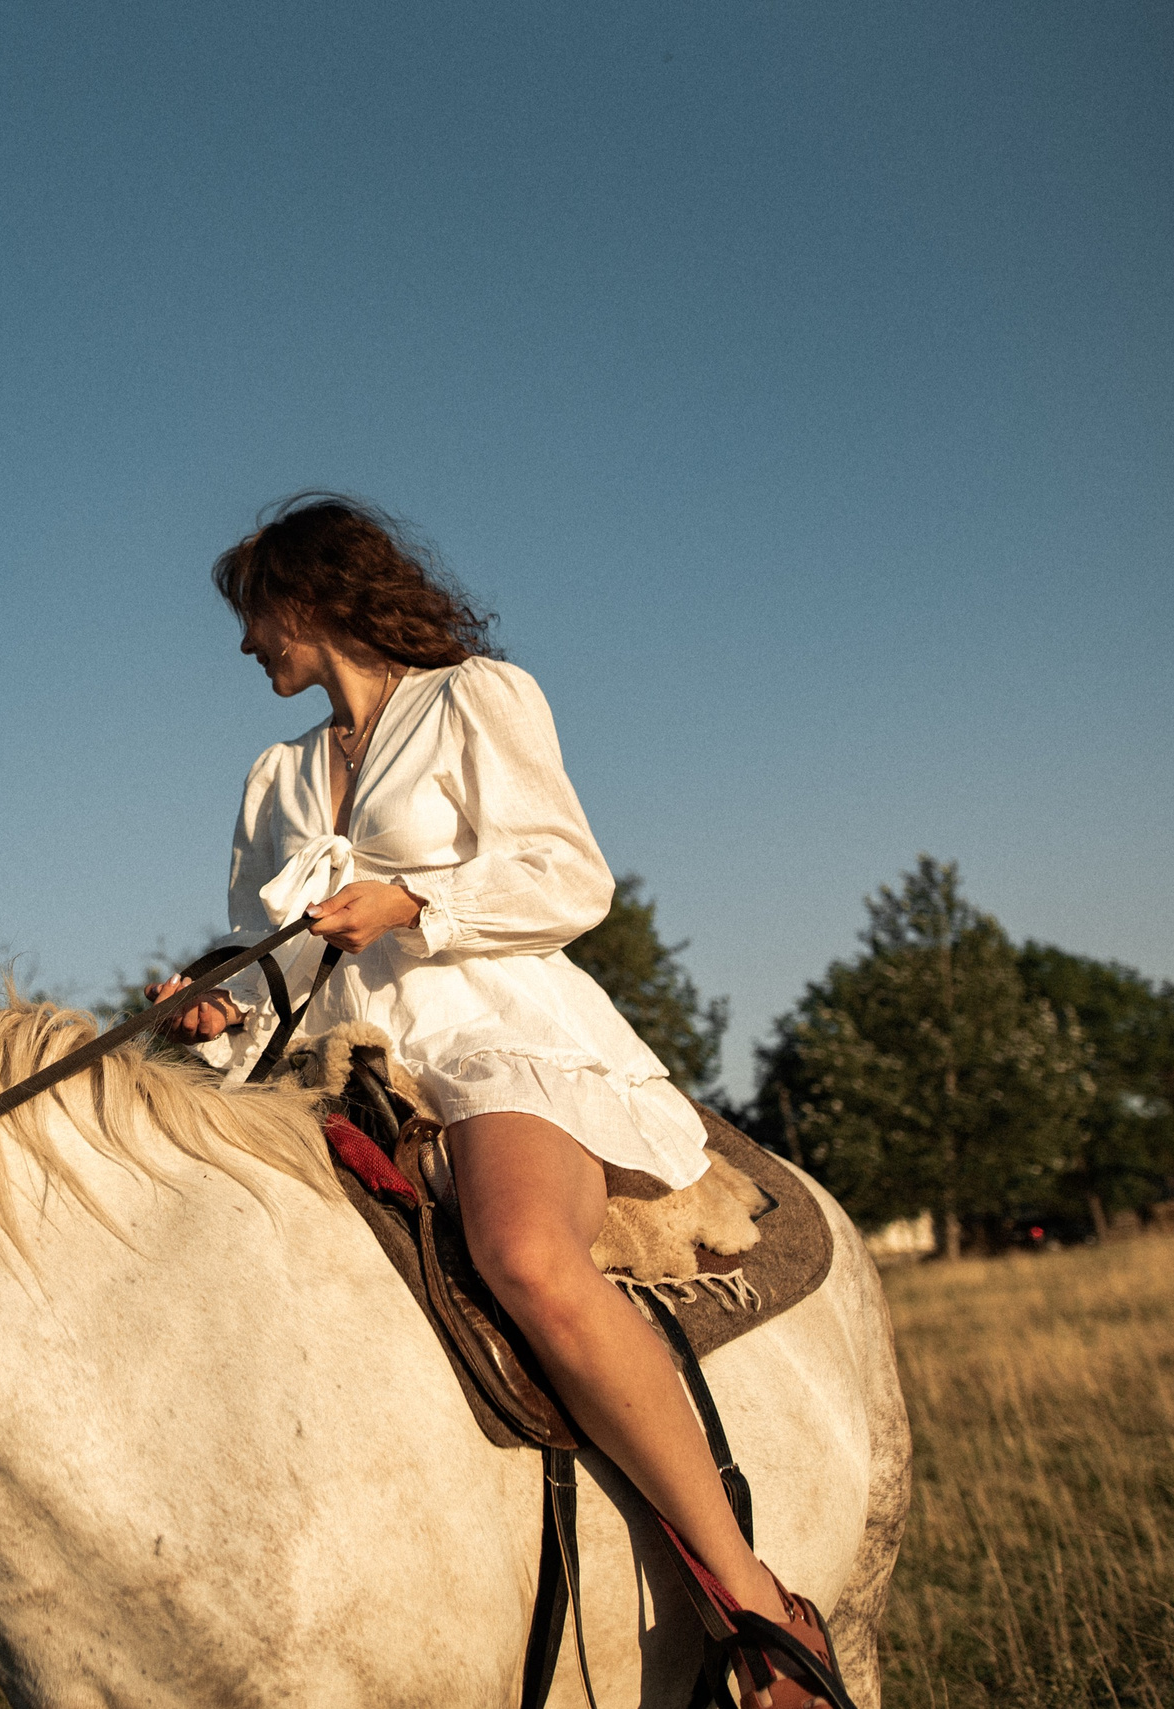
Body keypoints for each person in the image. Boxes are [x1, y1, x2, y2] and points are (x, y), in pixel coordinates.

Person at [150, 495, 842, 1709]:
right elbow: (275, 954)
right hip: (336, 1063)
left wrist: (415, 904)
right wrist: (222, 1003)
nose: (245, 644)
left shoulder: (475, 696)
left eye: (254, 614)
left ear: (309, 597)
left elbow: (570, 876)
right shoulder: (273, 776)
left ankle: (749, 1604)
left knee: (522, 1252)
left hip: (493, 1037)